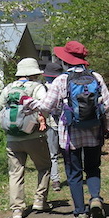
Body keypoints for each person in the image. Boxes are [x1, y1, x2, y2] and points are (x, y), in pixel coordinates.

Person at [24, 40, 109, 218]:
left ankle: (81, 214)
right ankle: (96, 198)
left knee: (74, 174)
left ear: (66, 60)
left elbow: (47, 107)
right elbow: (107, 106)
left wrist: (29, 103)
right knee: (92, 168)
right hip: (93, 132)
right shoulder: (96, 78)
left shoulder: (61, 80)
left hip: (70, 135)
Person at [0, 57, 51, 218]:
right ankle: (40, 200)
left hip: (12, 138)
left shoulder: (8, 88)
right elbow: (45, 106)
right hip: (34, 136)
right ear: (34, 73)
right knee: (44, 166)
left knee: (15, 173)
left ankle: (17, 209)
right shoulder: (37, 87)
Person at [42, 59, 66, 197]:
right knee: (67, 152)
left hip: (51, 123)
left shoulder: (44, 88)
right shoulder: (64, 85)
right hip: (66, 123)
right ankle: (73, 176)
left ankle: (55, 180)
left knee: (53, 154)